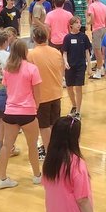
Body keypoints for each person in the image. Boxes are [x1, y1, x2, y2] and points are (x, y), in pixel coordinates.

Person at [0, 38, 43, 188]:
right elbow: (38, 95)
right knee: (32, 146)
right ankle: (37, 176)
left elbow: (6, 88)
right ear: (25, 51)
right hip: (27, 112)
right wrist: (34, 108)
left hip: (10, 111)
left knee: (6, 146)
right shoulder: (32, 69)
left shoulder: (7, 69)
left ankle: (2, 179)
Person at [27, 24, 64, 153]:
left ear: (34, 38)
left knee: (44, 126)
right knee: (54, 124)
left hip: (41, 96)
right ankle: (55, 148)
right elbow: (61, 70)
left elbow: (28, 76)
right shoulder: (56, 52)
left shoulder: (31, 55)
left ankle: (49, 152)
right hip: (56, 93)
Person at [62, 16, 92, 117]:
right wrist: (65, 62)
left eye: (79, 23)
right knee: (69, 87)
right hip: (70, 66)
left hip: (80, 66)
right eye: (76, 23)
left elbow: (87, 52)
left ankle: (78, 111)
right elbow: (64, 52)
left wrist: (89, 66)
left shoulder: (84, 37)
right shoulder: (67, 38)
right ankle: (74, 106)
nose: (79, 25)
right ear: (71, 25)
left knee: (79, 88)